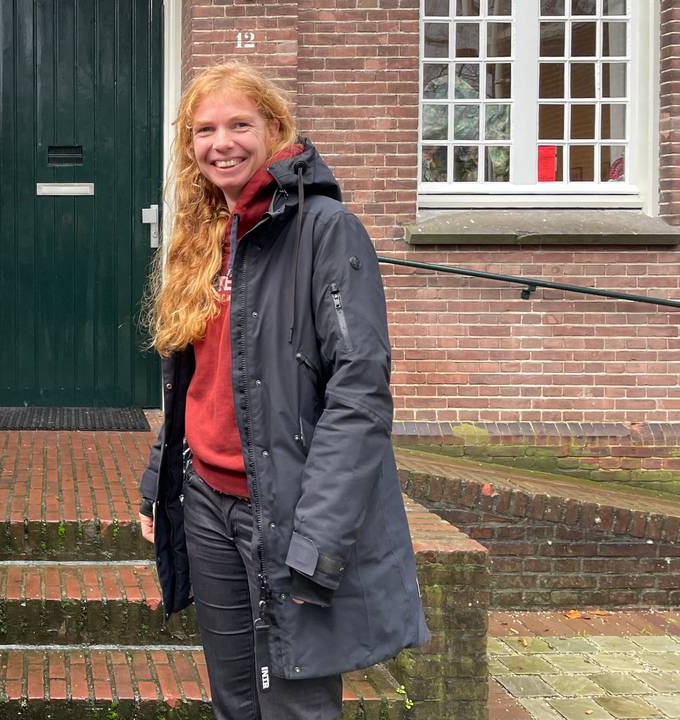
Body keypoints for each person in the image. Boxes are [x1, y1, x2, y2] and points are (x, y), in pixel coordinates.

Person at [137, 61, 429, 719]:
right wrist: (160, 481)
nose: (222, 143)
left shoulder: (326, 231)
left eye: (240, 124)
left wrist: (319, 539)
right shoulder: (205, 233)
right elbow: (194, 379)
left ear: (274, 128)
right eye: (205, 130)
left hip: (289, 510)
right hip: (208, 500)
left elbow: (360, 391)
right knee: (234, 698)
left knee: (296, 701)